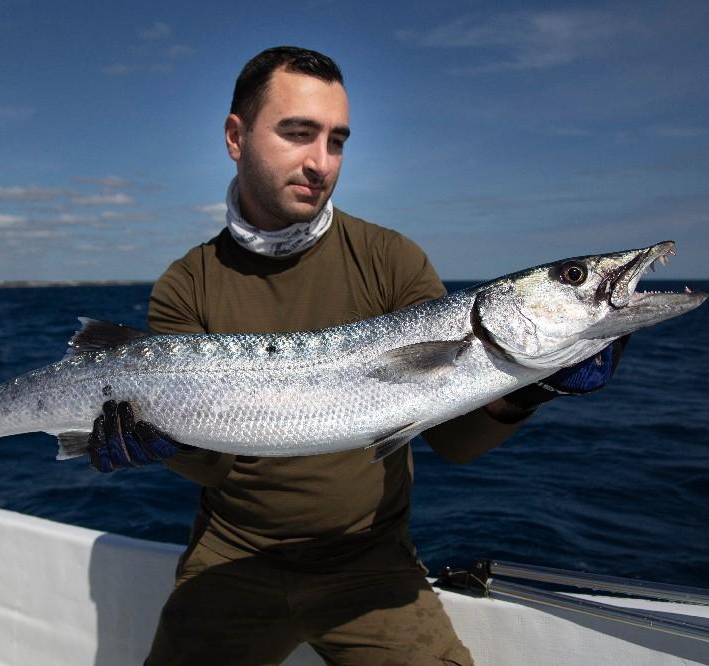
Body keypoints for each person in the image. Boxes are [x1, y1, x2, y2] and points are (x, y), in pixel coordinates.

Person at [87, 46, 625, 666]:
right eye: (297, 133)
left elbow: (452, 440)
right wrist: (162, 444)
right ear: (236, 137)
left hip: (370, 560)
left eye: (336, 140)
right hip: (232, 556)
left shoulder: (390, 259)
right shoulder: (188, 283)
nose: (321, 162)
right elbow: (212, 468)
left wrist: (531, 388)